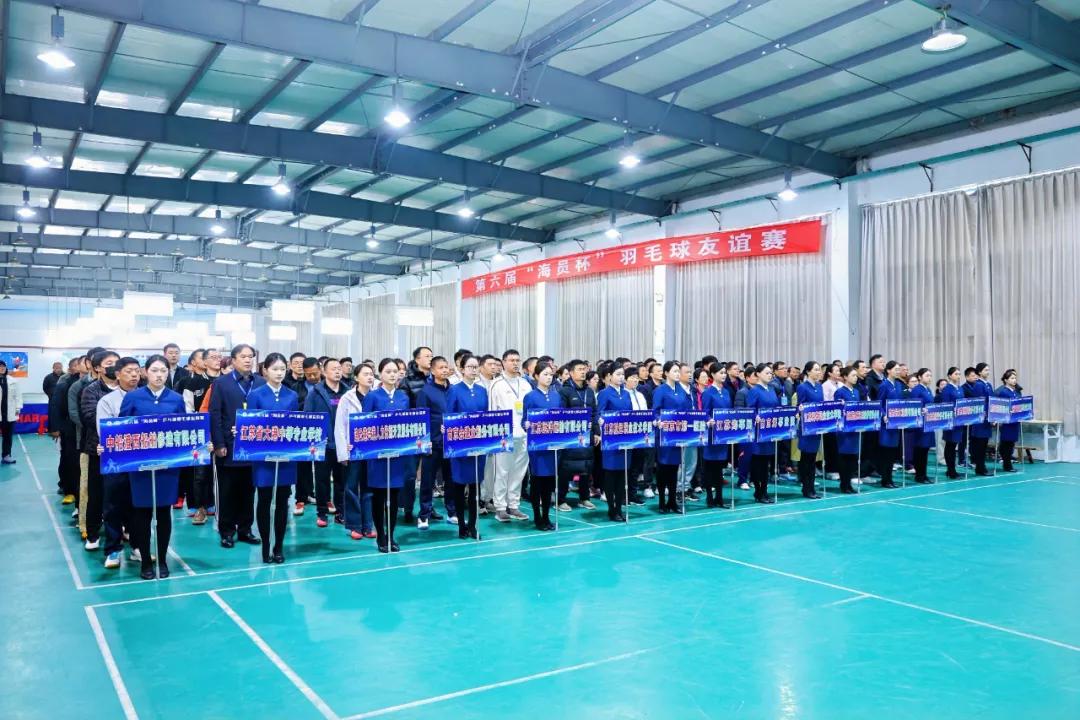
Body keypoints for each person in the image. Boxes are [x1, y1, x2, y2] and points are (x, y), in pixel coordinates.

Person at [117, 355, 189, 580]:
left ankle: (163, 559)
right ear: (145, 372)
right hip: (140, 466)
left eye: (163, 371)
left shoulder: (176, 399)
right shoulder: (133, 397)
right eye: (155, 370)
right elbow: (121, 430)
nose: (159, 375)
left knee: (164, 512)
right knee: (142, 513)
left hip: (168, 467)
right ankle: (146, 561)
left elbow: (185, 429)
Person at [209, 344, 266, 549]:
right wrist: (219, 443)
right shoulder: (221, 383)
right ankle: (226, 531)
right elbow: (215, 414)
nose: (248, 360)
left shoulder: (260, 382)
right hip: (229, 446)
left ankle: (245, 529)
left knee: (248, 491)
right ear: (233, 360)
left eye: (251, 356)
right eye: (243, 356)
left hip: (253, 448)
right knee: (227, 491)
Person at [245, 354, 298, 563]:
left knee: (283, 500)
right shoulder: (255, 395)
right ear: (265, 370)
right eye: (275, 369)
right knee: (265, 499)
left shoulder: (292, 395)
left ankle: (279, 546)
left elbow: (295, 424)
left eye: (282, 369)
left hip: (286, 456)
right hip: (263, 457)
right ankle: (266, 544)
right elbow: (251, 424)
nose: (279, 373)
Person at [362, 359, 411, 553]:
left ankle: (391, 535)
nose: (392, 375)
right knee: (379, 496)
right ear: (380, 374)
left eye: (395, 371)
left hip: (398, 455)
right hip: (378, 456)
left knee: (394, 496)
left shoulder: (403, 397)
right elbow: (363, 425)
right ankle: (380, 536)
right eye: (388, 371)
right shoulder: (372, 396)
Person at [96, 357, 141, 569]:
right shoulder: (107, 401)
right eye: (129, 371)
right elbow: (104, 432)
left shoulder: (146, 398)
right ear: (118, 374)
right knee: (113, 507)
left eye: (137, 371)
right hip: (116, 462)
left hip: (141, 462)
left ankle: (138, 547)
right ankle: (113, 549)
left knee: (139, 507)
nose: (134, 375)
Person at [76, 350, 119, 549]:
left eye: (117, 362)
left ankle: (123, 529)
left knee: (123, 494)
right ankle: (93, 534)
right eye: (109, 363)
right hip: (98, 449)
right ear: (98, 368)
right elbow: (90, 417)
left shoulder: (129, 389)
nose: (114, 366)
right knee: (97, 493)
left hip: (125, 450)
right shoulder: (91, 390)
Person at [445, 354, 487, 540]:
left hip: (479, 445)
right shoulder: (454, 390)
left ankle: (473, 525)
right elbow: (449, 416)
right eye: (470, 367)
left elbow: (486, 417)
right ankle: (461, 525)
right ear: (462, 369)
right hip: (460, 447)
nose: (473, 370)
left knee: (475, 488)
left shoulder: (482, 390)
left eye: (476, 367)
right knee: (459, 487)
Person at [488, 349, 532, 523]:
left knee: (519, 472)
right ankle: (500, 507)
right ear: (503, 362)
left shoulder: (526, 384)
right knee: (502, 471)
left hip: (525, 434)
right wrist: (496, 436)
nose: (515, 363)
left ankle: (513, 505)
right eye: (511, 360)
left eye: (517, 360)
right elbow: (492, 411)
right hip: (505, 435)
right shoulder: (496, 384)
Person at [304, 358, 347, 527]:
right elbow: (308, 417)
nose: (337, 371)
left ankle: (341, 512)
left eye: (339, 369)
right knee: (322, 480)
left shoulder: (347, 391)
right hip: (322, 444)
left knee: (341, 480)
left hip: (342, 444)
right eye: (333, 368)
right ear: (324, 372)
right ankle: (322, 513)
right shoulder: (315, 393)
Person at [336, 362, 377, 540]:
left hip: (371, 450)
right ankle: (354, 525)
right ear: (356, 377)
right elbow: (340, 426)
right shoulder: (347, 398)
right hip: (353, 450)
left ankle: (368, 525)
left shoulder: (376, 396)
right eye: (365, 374)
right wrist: (343, 450)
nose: (369, 377)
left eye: (371, 374)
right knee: (351, 487)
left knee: (369, 487)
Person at [180, 348, 220, 524]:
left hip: (219, 431)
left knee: (217, 471)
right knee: (199, 472)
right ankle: (198, 507)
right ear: (204, 361)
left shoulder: (225, 380)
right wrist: (196, 426)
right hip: (199, 432)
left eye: (219, 357)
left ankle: (212, 503)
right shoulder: (192, 382)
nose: (217, 360)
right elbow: (187, 407)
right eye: (213, 357)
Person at [412, 356, 453, 529]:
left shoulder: (454, 390)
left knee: (451, 479)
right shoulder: (426, 392)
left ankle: (452, 512)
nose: (444, 370)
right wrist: (425, 442)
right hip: (433, 443)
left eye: (446, 367)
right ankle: (424, 514)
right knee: (427, 481)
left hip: (452, 443)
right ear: (433, 371)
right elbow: (421, 418)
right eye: (441, 367)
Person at [523, 362, 563, 531]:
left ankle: (546, 516)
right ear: (536, 376)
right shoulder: (530, 396)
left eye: (550, 375)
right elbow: (524, 420)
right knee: (538, 482)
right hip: (538, 447)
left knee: (549, 483)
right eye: (545, 374)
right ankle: (537, 517)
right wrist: (526, 425)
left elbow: (561, 418)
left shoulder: (556, 396)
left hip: (553, 446)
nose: (548, 377)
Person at [557, 359, 597, 511]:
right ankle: (561, 499)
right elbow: (561, 414)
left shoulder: (589, 391)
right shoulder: (564, 391)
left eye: (584, 369)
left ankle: (584, 497)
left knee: (587, 466)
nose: (583, 372)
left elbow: (595, 413)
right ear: (571, 373)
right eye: (579, 369)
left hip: (588, 435)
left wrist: (596, 432)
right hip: (571, 436)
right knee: (566, 468)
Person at [651, 361, 691, 513]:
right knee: (663, 468)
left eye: (678, 371)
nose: (677, 374)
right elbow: (655, 411)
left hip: (678, 434)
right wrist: (658, 420)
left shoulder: (681, 390)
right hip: (664, 434)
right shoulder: (660, 390)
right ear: (666, 373)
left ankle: (672, 502)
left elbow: (687, 410)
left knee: (674, 468)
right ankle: (662, 501)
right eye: (674, 371)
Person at [596, 365, 631, 522]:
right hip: (611, 441)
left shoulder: (626, 393)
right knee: (611, 475)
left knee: (622, 476)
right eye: (618, 374)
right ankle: (611, 509)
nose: (621, 377)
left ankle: (619, 508)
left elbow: (630, 414)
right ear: (610, 376)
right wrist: (601, 421)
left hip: (625, 439)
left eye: (622, 374)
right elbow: (599, 413)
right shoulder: (604, 393)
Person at [293, 357, 322, 515]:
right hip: (303, 430)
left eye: (315, 373)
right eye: (308, 374)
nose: (312, 377)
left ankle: (322, 497)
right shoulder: (296, 388)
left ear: (320, 369)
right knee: (302, 465)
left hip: (323, 429)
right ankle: (301, 498)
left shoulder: (326, 386)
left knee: (322, 466)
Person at [746, 363, 779, 503]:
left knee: (766, 463)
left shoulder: (771, 389)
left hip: (770, 431)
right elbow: (750, 410)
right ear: (758, 374)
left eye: (771, 373)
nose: (769, 375)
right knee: (758, 462)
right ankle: (758, 492)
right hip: (758, 432)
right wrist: (756, 417)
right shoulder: (754, 390)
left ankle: (764, 491)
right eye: (767, 373)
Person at [701, 363, 731, 508]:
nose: (723, 375)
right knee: (710, 467)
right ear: (712, 374)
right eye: (720, 373)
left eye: (724, 373)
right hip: (711, 434)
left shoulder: (726, 392)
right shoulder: (708, 392)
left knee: (719, 468)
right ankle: (709, 497)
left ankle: (719, 497)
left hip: (723, 433)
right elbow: (705, 412)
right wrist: (708, 420)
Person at [795, 361, 824, 499]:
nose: (819, 372)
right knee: (806, 458)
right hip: (807, 427)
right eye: (816, 369)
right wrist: (801, 409)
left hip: (817, 426)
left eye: (819, 370)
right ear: (808, 371)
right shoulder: (802, 387)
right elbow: (800, 405)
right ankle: (806, 488)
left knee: (812, 459)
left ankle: (811, 487)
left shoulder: (819, 386)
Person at [876, 361, 904, 489]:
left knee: (892, 453)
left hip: (896, 423)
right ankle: (885, 479)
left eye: (899, 369)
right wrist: (883, 415)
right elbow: (879, 403)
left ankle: (890, 478)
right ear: (888, 370)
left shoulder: (898, 385)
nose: (898, 372)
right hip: (886, 424)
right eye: (896, 369)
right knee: (886, 452)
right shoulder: (884, 385)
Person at [833, 366, 860, 494]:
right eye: (853, 375)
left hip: (855, 428)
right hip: (844, 429)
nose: (855, 378)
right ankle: (844, 484)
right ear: (845, 377)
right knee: (845, 456)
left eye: (856, 375)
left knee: (853, 457)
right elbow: (837, 410)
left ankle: (849, 483)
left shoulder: (856, 391)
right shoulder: (840, 392)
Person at [624, 368, 649, 505]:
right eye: (632, 377)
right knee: (626, 466)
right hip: (628, 435)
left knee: (636, 466)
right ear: (625, 379)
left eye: (636, 378)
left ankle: (633, 494)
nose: (635, 380)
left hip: (641, 435)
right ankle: (623, 495)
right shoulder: (623, 395)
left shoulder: (640, 395)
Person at [907, 368, 936, 484]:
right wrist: (921, 410)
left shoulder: (928, 389)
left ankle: (924, 474)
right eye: (927, 375)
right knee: (920, 450)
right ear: (919, 377)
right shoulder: (917, 390)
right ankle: (919, 475)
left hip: (928, 423)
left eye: (930, 375)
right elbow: (912, 406)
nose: (929, 378)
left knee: (925, 450)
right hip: (920, 425)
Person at [963, 365, 992, 476]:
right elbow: (980, 402)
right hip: (981, 420)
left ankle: (981, 467)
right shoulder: (979, 385)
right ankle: (980, 468)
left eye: (988, 370)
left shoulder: (988, 384)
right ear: (979, 372)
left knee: (984, 444)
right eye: (985, 370)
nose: (988, 372)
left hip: (988, 419)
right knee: (980, 444)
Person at [995, 370, 1022, 473]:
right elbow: (1001, 406)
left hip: (1015, 421)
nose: (1014, 380)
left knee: (1011, 443)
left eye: (1015, 378)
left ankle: (1008, 463)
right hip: (1007, 422)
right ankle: (1007, 464)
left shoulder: (1015, 392)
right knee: (1006, 443)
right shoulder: (1003, 392)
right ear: (1006, 380)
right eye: (1012, 378)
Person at [0, 360, 23, 464]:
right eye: (0, 366)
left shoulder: (13, 381)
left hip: (9, 413)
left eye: (3, 366)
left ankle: (6, 455)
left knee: (8, 436)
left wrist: (18, 408)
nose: (2, 368)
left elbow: (18, 396)